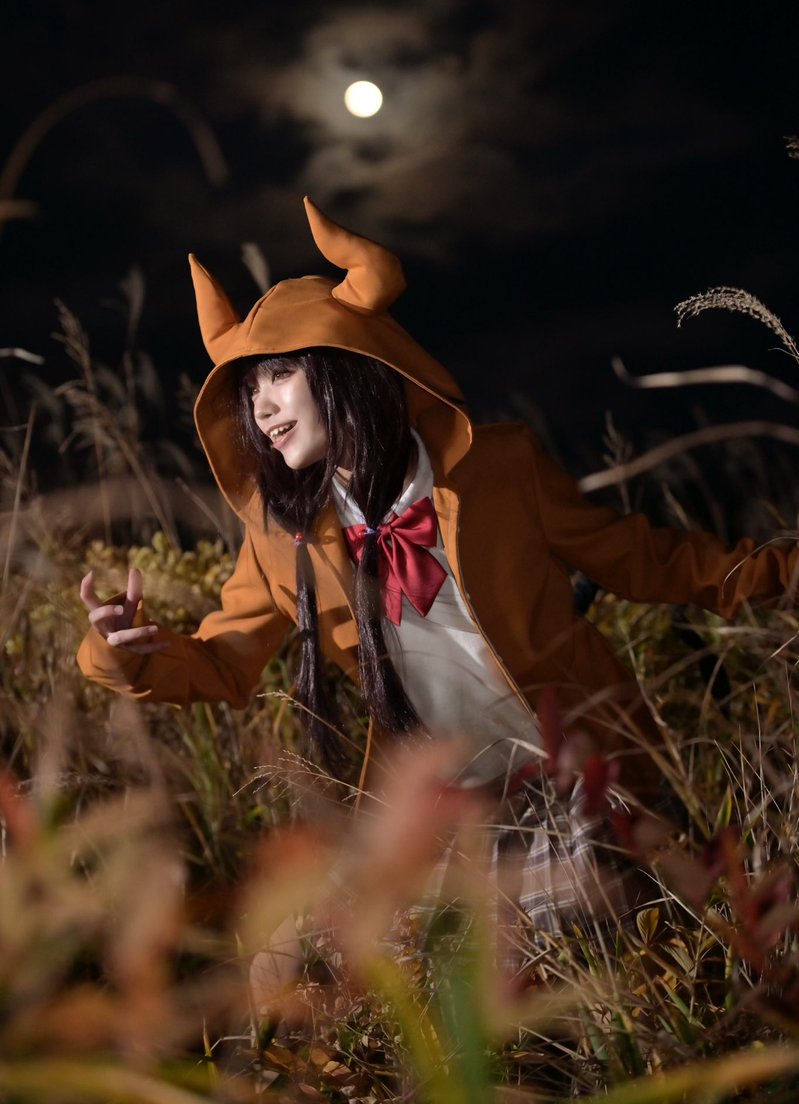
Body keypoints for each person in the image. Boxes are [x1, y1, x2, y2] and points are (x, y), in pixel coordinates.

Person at [78, 197, 799, 950]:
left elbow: (643, 560)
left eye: (279, 376)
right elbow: (225, 663)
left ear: (345, 360)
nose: (259, 408)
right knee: (293, 958)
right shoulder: (281, 538)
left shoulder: (498, 469)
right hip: (436, 808)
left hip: (570, 777)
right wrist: (125, 653)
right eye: (247, 393)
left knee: (553, 949)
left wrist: (779, 572)